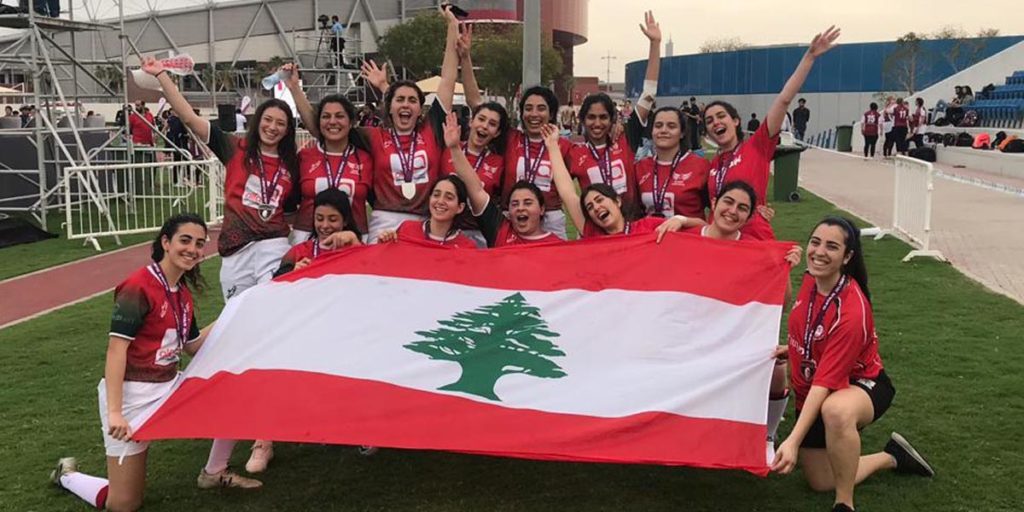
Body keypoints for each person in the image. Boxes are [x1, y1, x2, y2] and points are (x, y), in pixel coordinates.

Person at [144, 56, 301, 486]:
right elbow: (190, 117)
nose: (273, 128)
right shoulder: (236, 149)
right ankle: (206, 364)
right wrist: (162, 79)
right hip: (235, 254)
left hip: (272, 251)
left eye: (280, 124)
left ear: (287, 130)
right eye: (268, 121)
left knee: (264, 340)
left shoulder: (292, 166)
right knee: (239, 336)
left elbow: (292, 213)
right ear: (258, 123)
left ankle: (263, 438)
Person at [50, 214, 259, 512]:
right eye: (185, 240)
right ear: (166, 242)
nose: (193, 249)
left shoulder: (182, 293)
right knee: (124, 504)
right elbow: (116, 351)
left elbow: (192, 346)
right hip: (131, 397)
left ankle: (214, 472)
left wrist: (235, 313)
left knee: (236, 397)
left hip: (169, 386)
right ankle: (67, 476)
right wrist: (115, 413)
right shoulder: (138, 286)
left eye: (200, 244)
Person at [772, 216, 934, 512]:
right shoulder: (812, 278)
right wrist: (794, 350)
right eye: (816, 242)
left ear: (847, 257)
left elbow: (824, 383)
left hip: (863, 384)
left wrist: (793, 440)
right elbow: (806, 325)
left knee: (834, 411)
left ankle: (844, 503)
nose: (820, 252)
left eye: (832, 247)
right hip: (816, 384)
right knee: (820, 481)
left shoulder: (851, 310)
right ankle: (892, 456)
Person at [703, 26, 841, 241]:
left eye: (721, 116)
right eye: (709, 121)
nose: (716, 122)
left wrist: (809, 57)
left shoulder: (757, 146)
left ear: (736, 121)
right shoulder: (714, 165)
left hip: (754, 238)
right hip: (721, 241)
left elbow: (784, 99)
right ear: (708, 133)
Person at [357, 4, 460, 242]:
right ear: (388, 106)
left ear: (420, 107)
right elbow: (327, 128)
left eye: (412, 100)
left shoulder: (431, 130)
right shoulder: (373, 136)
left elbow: (447, 79)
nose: (406, 105)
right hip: (384, 219)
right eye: (400, 100)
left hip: (425, 221)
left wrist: (452, 28)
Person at [567, 11, 664, 235]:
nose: (597, 123)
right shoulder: (573, 152)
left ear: (613, 119)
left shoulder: (625, 136)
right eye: (591, 117)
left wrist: (655, 45)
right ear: (582, 120)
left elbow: (648, 94)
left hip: (633, 226)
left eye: (603, 117)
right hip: (597, 233)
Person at [545, 123, 685, 239]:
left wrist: (681, 220)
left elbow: (702, 229)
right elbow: (567, 194)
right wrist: (552, 145)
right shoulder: (593, 233)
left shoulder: (646, 226)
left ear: (617, 201)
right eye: (590, 207)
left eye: (599, 200)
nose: (596, 208)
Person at [442, 112, 558, 247]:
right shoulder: (501, 232)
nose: (520, 208)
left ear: (542, 209)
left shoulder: (557, 244)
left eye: (527, 203)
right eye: (514, 204)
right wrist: (455, 148)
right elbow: (476, 189)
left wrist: (553, 146)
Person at [288, 73, 374, 242]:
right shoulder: (305, 157)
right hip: (307, 238)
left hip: (354, 239)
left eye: (340, 116)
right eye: (326, 116)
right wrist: (294, 87)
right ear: (319, 123)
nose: (332, 122)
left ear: (351, 122)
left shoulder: (366, 158)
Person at [376, 174, 478, 249]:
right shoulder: (407, 229)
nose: (440, 201)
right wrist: (383, 245)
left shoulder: (467, 247)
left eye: (449, 198)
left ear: (460, 207)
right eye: (436, 195)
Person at [275, 188, 362, 276]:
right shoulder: (299, 251)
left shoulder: (354, 247)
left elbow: (371, 273)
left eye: (333, 220)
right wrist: (291, 272)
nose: (325, 226)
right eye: (319, 219)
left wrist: (355, 243)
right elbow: (275, 282)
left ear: (345, 221)